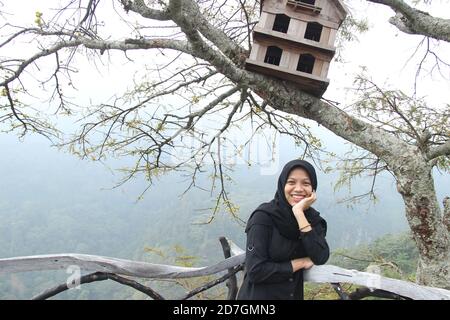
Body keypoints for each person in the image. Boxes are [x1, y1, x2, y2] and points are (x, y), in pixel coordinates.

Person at [237, 159, 329, 300]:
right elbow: (256, 271)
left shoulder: (312, 219)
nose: (298, 188)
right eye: (291, 182)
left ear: (313, 189)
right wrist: (300, 263)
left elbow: (320, 256)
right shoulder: (263, 217)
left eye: (306, 183)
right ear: (282, 185)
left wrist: (299, 213)